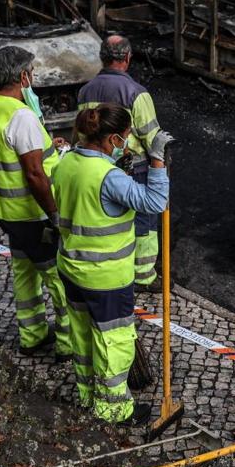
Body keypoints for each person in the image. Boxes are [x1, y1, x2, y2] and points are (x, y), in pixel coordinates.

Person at [53, 104, 171, 425]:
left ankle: (87, 395)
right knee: (113, 342)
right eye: (126, 139)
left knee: (82, 335)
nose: (128, 145)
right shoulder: (109, 178)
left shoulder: (66, 164)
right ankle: (114, 409)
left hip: (71, 269)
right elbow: (155, 202)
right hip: (105, 278)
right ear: (112, 139)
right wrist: (158, 162)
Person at [0, 46, 72, 362]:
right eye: (31, 71)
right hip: (32, 216)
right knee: (58, 278)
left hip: (6, 213)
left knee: (24, 273)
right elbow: (34, 174)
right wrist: (55, 215)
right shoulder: (21, 116)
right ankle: (67, 345)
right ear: (22, 76)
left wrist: (49, 145)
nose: (33, 77)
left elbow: (16, 153)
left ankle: (31, 336)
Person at [77, 35, 165, 292]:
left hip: (97, 165)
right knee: (144, 223)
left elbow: (83, 132)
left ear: (102, 58)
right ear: (127, 58)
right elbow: (153, 138)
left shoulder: (85, 91)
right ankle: (144, 275)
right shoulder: (136, 94)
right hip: (134, 168)